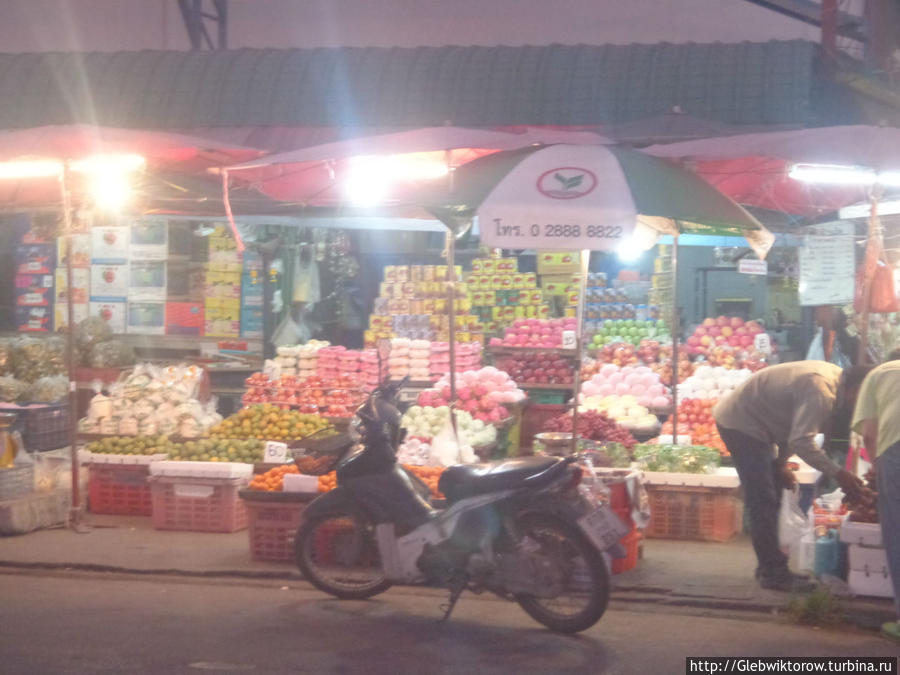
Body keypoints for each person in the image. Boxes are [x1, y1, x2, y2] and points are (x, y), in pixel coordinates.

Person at [713, 361, 870, 592]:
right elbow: (802, 440)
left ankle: (771, 567)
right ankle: (772, 573)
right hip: (741, 422)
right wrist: (839, 474)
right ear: (857, 389)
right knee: (763, 499)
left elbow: (792, 429)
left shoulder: (833, 382)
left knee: (773, 492)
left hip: (759, 424)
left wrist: (781, 463)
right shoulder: (821, 390)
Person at [851, 360, 900, 644]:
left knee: (897, 532)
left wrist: (878, 468)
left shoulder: (879, 374)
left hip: (895, 453)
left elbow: (870, 434)